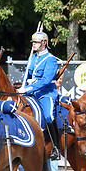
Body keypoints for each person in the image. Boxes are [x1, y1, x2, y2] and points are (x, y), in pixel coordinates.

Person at [17, 27, 60, 160]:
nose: (33, 44)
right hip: (31, 92)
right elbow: (28, 75)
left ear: (44, 43)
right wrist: (23, 87)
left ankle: (55, 147)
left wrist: (28, 89)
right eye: (33, 42)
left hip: (46, 93)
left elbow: (46, 80)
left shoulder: (51, 59)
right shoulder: (32, 58)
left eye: (36, 42)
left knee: (48, 115)